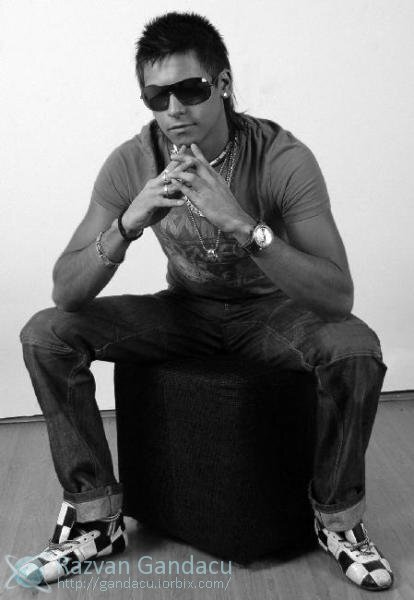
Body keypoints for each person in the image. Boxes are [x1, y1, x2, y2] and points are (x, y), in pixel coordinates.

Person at [19, 11, 393, 591]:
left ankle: (337, 520)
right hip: (185, 311)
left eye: (190, 89)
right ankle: (95, 519)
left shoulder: (282, 157)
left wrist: (243, 225)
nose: (174, 109)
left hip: (271, 314)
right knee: (46, 334)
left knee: (355, 348)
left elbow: (338, 295)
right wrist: (127, 224)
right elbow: (65, 291)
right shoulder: (131, 161)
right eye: (156, 96)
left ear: (222, 84)